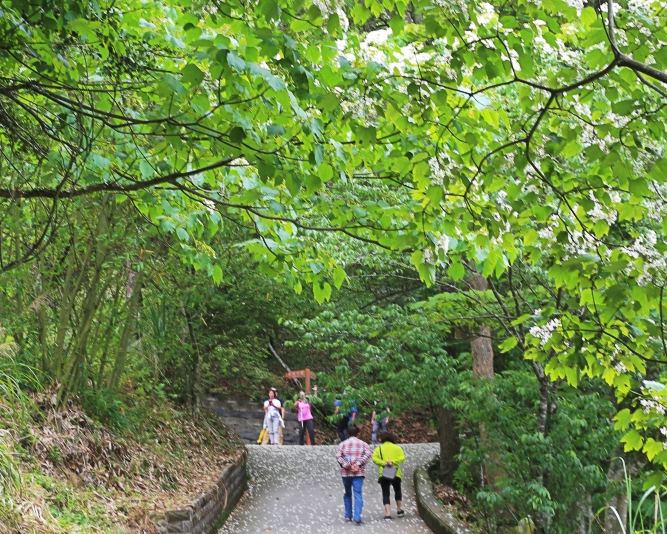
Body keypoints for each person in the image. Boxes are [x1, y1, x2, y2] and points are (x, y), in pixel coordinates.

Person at [336, 425, 371, 525]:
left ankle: (348, 515)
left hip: (346, 473)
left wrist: (345, 464)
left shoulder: (342, 444)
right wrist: (358, 465)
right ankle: (357, 517)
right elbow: (368, 454)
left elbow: (338, 456)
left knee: (347, 493)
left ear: (347, 433)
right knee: (358, 494)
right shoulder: (363, 444)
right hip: (358, 473)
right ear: (358, 434)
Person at [372, 431, 406, 520]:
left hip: (383, 473)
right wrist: (393, 462)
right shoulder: (398, 448)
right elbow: (402, 457)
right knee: (397, 491)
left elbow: (374, 459)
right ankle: (399, 510)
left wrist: (384, 463)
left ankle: (388, 514)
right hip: (396, 473)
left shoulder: (379, 449)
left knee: (385, 493)